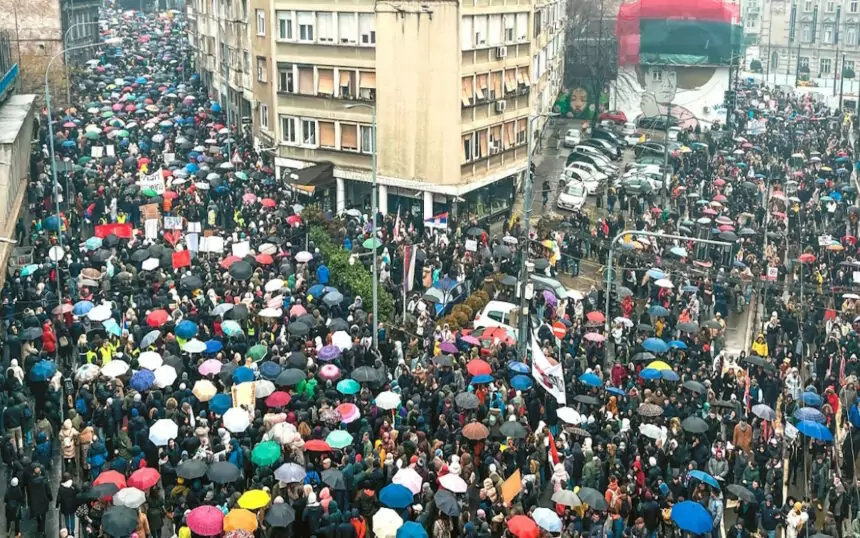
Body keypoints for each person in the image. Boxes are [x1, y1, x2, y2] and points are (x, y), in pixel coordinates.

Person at [27, 465, 52, 536]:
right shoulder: (44, 481)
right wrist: (50, 498)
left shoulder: (31, 482)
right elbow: (48, 491)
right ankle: (43, 530)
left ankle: (39, 523)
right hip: (43, 501)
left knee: (37, 513)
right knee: (43, 516)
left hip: (35, 501)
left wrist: (29, 502)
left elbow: (29, 492)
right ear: (40, 473)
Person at [56, 472, 79, 536]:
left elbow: (59, 498)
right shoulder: (73, 485)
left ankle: (68, 530)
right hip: (72, 505)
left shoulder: (61, 487)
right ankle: (72, 531)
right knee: (72, 518)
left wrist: (57, 505)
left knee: (66, 518)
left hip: (64, 506)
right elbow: (79, 491)